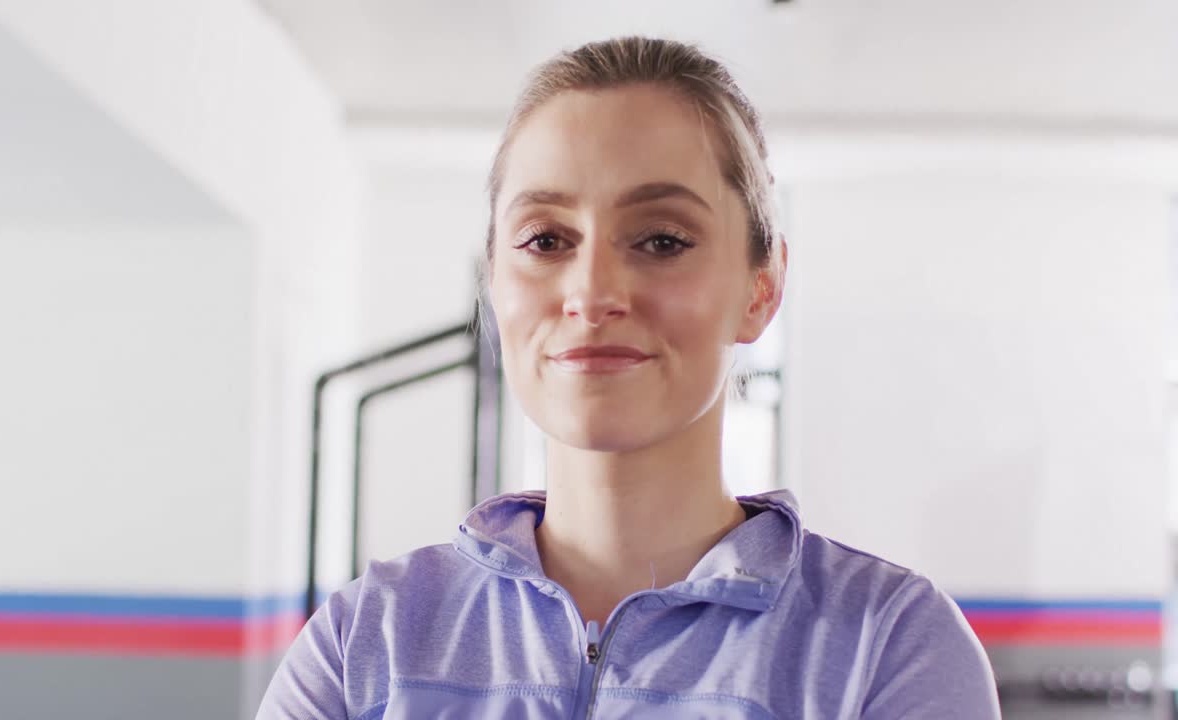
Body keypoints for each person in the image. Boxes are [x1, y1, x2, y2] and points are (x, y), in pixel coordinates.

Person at [256, 36, 1001, 719]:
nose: (591, 292)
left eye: (661, 239)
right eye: (545, 239)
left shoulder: (891, 648)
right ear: (495, 282)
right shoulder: (365, 643)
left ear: (761, 287)